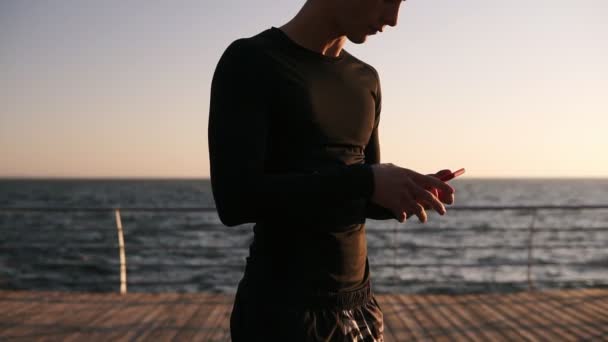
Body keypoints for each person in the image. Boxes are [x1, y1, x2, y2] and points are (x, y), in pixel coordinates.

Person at [208, 0, 456, 340]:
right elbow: (235, 200)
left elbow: (360, 198)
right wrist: (365, 181)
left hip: (361, 308)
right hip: (281, 315)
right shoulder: (251, 61)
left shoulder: (366, 80)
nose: (393, 19)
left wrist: (405, 191)